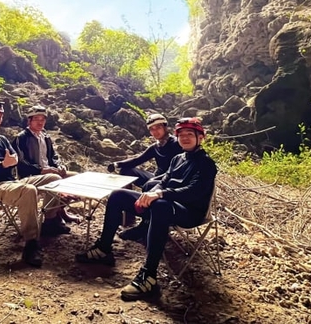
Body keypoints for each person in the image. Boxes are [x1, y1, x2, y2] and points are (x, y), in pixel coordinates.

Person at [75, 117, 217, 300]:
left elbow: (194, 192)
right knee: (118, 195)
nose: (185, 138)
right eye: (181, 135)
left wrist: (159, 194)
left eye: (190, 134)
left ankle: (148, 276)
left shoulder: (206, 163)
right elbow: (164, 181)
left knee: (160, 205)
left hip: (190, 212)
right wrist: (151, 193)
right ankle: (103, 249)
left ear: (200, 138)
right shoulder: (178, 159)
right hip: (166, 204)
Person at [0, 100, 70, 268]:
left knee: (54, 179)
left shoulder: (1, 139)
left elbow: (15, 159)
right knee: (28, 190)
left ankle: (51, 221)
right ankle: (31, 243)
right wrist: (4, 164)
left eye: (0, 117)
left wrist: (3, 162)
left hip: (11, 182)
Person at [14, 104, 80, 223]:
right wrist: (41, 170)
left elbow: (53, 156)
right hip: (32, 175)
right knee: (55, 178)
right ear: (29, 120)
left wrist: (59, 165)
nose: (40, 123)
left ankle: (60, 209)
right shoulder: (22, 138)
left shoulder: (45, 136)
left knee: (76, 177)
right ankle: (51, 218)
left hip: (49, 171)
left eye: (42, 119)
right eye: (36, 119)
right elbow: (21, 162)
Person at [107, 113, 182, 187]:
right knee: (126, 170)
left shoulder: (177, 143)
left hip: (172, 181)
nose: (155, 131)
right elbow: (138, 160)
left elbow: (179, 170)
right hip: (156, 179)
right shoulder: (155, 147)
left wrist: (156, 180)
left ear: (165, 127)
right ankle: (127, 195)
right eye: (152, 129)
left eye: (158, 127)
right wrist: (116, 164)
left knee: (151, 184)